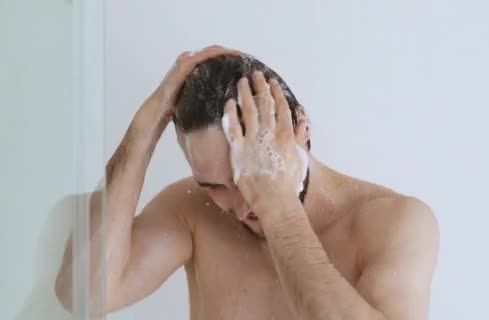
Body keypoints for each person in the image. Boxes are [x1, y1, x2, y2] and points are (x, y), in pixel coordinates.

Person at [56, 45, 439, 320]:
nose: (240, 206)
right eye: (216, 187)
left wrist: (278, 208)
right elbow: (87, 296)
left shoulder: (397, 223)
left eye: (247, 175)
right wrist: (143, 131)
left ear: (301, 129)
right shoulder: (194, 209)